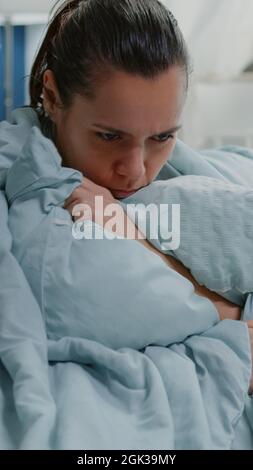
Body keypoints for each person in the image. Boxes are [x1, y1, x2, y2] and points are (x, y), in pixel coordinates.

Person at [27, 0, 252, 392]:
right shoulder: (33, 208)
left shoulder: (191, 182)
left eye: (162, 137)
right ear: (52, 96)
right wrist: (228, 315)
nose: (135, 170)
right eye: (110, 136)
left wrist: (133, 235)